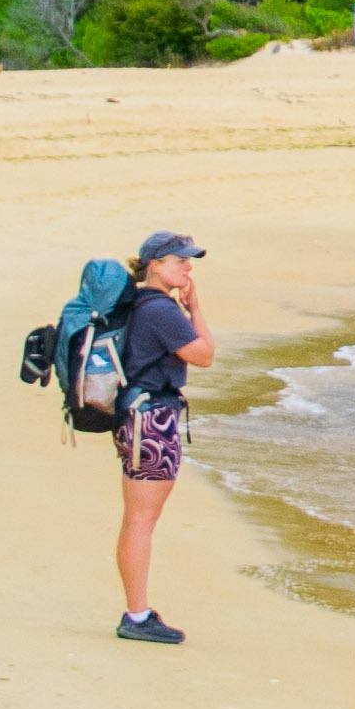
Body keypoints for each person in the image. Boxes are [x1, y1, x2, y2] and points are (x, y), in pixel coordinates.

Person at [103, 229, 216, 645]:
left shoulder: (140, 303)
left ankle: (137, 611)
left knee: (138, 520)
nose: (187, 267)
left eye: (189, 261)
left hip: (140, 417)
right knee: (140, 521)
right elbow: (204, 355)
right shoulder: (160, 310)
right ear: (154, 265)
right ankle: (136, 615)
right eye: (179, 261)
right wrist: (195, 308)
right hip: (150, 421)